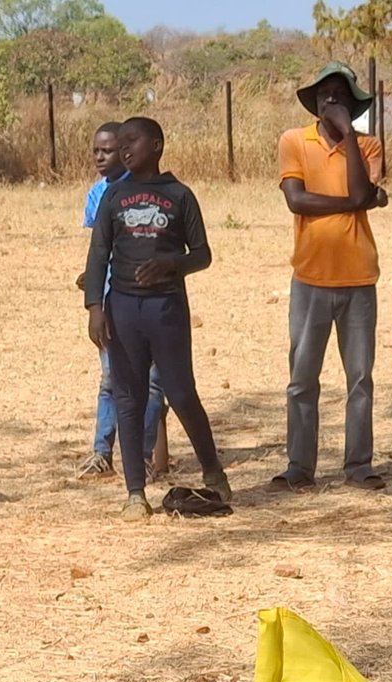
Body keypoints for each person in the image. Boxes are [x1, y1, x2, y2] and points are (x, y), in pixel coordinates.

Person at [83, 117, 232, 521]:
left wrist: (172, 264)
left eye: (133, 141)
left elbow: (203, 254)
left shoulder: (179, 195)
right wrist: (96, 307)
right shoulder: (114, 197)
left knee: (181, 393)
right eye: (121, 143)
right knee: (128, 397)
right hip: (124, 309)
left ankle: (213, 471)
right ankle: (135, 493)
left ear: (157, 145)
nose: (124, 148)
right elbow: (98, 256)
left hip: (166, 308)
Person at [273, 61, 390, 494]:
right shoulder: (293, 142)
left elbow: (362, 192)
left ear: (353, 103)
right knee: (302, 378)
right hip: (310, 277)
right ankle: (298, 467)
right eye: (325, 94)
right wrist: (359, 202)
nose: (331, 101)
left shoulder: (369, 146)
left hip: (359, 278)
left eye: (340, 95)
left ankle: (359, 465)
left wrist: (350, 139)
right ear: (314, 101)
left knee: (359, 378)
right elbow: (296, 201)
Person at [76, 122, 168, 481]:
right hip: (111, 300)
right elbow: (98, 249)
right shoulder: (98, 195)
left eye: (109, 151)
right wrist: (93, 289)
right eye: (96, 151)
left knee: (152, 382)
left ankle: (143, 457)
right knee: (111, 379)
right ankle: (102, 453)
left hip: (147, 298)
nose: (101, 157)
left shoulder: (148, 191)